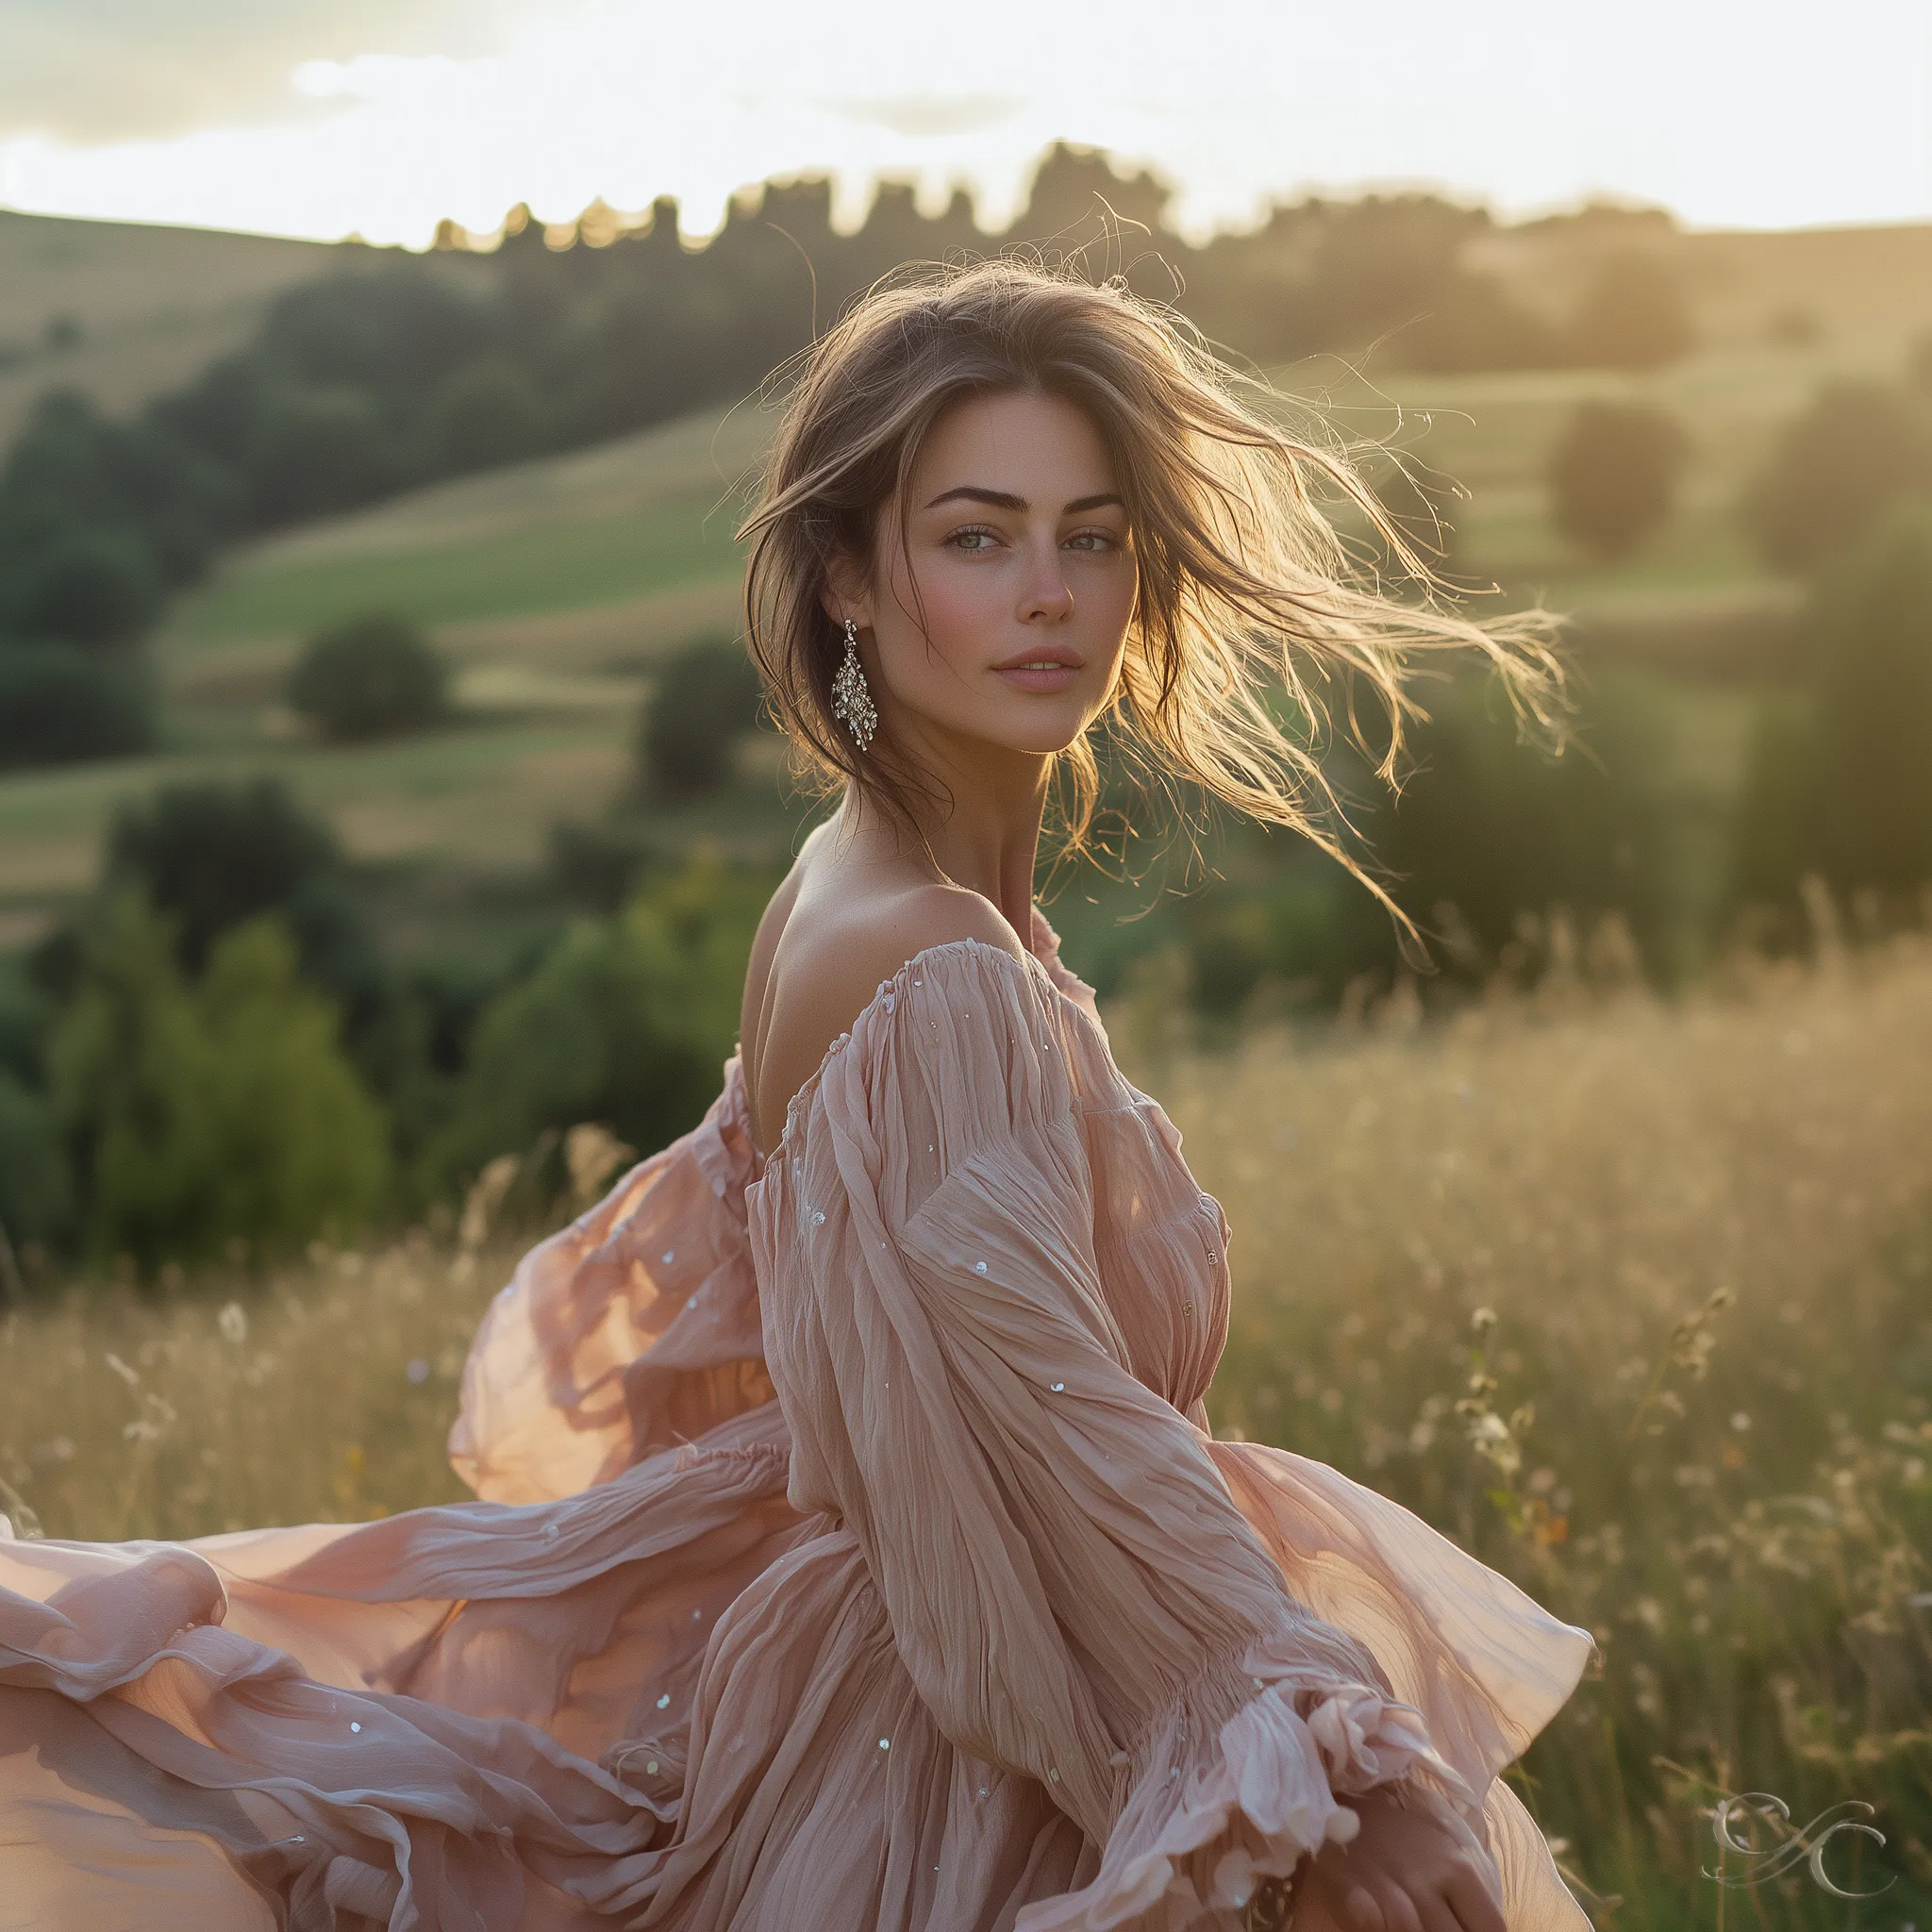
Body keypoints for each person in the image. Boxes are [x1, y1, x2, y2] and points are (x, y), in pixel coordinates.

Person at [0, 261, 1591, 1931]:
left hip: (928, 1689)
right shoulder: (931, 962)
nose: (1049, 592)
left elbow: (787, 1340)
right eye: (977, 537)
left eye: (1093, 534)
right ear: (844, 573)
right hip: (971, 1772)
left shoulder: (851, 885)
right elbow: (1075, 1436)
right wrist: (1316, 1756)